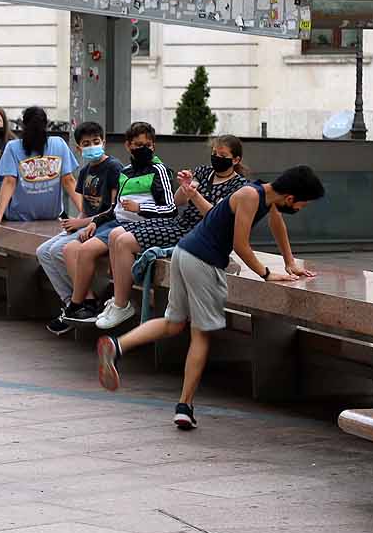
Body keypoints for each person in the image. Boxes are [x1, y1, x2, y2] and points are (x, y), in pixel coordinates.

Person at [96, 165, 325, 431]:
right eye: (302, 205)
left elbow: (277, 224)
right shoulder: (251, 197)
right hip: (203, 262)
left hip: (184, 252)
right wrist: (266, 274)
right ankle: (184, 406)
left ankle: (116, 345)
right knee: (201, 334)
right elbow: (241, 245)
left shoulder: (264, 193)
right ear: (291, 198)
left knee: (173, 323)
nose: (300, 210)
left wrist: (290, 262)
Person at [98, 135, 252, 330]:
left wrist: (195, 196)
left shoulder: (239, 187)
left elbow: (217, 218)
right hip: (180, 224)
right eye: (214, 153)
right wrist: (185, 187)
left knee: (125, 241)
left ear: (236, 159)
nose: (216, 158)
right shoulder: (204, 172)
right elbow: (178, 201)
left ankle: (122, 304)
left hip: (200, 235)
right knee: (114, 235)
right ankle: (117, 300)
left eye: (222, 155)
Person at [61, 122, 174, 325]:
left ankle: (89, 305)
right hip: (117, 222)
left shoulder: (159, 170)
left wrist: (141, 209)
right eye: (138, 145)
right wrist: (95, 221)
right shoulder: (127, 172)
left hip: (142, 226)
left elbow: (170, 209)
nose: (144, 149)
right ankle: (86, 304)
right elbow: (116, 208)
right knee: (71, 247)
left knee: (101, 243)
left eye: (148, 145)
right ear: (128, 146)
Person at [38, 123, 123, 335]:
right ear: (78, 148)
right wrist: (73, 224)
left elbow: (114, 210)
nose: (92, 146)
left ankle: (86, 304)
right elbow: (85, 209)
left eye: (96, 142)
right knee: (43, 251)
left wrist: (80, 224)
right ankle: (71, 303)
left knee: (60, 250)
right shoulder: (85, 171)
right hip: (86, 223)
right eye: (86, 144)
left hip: (104, 225)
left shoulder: (113, 167)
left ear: (104, 142)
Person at [0, 105, 78, 226]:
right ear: (46, 125)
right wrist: (85, 214)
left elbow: (9, 182)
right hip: (51, 214)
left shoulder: (12, 147)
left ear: (23, 125)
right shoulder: (59, 143)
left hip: (18, 216)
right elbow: (69, 181)